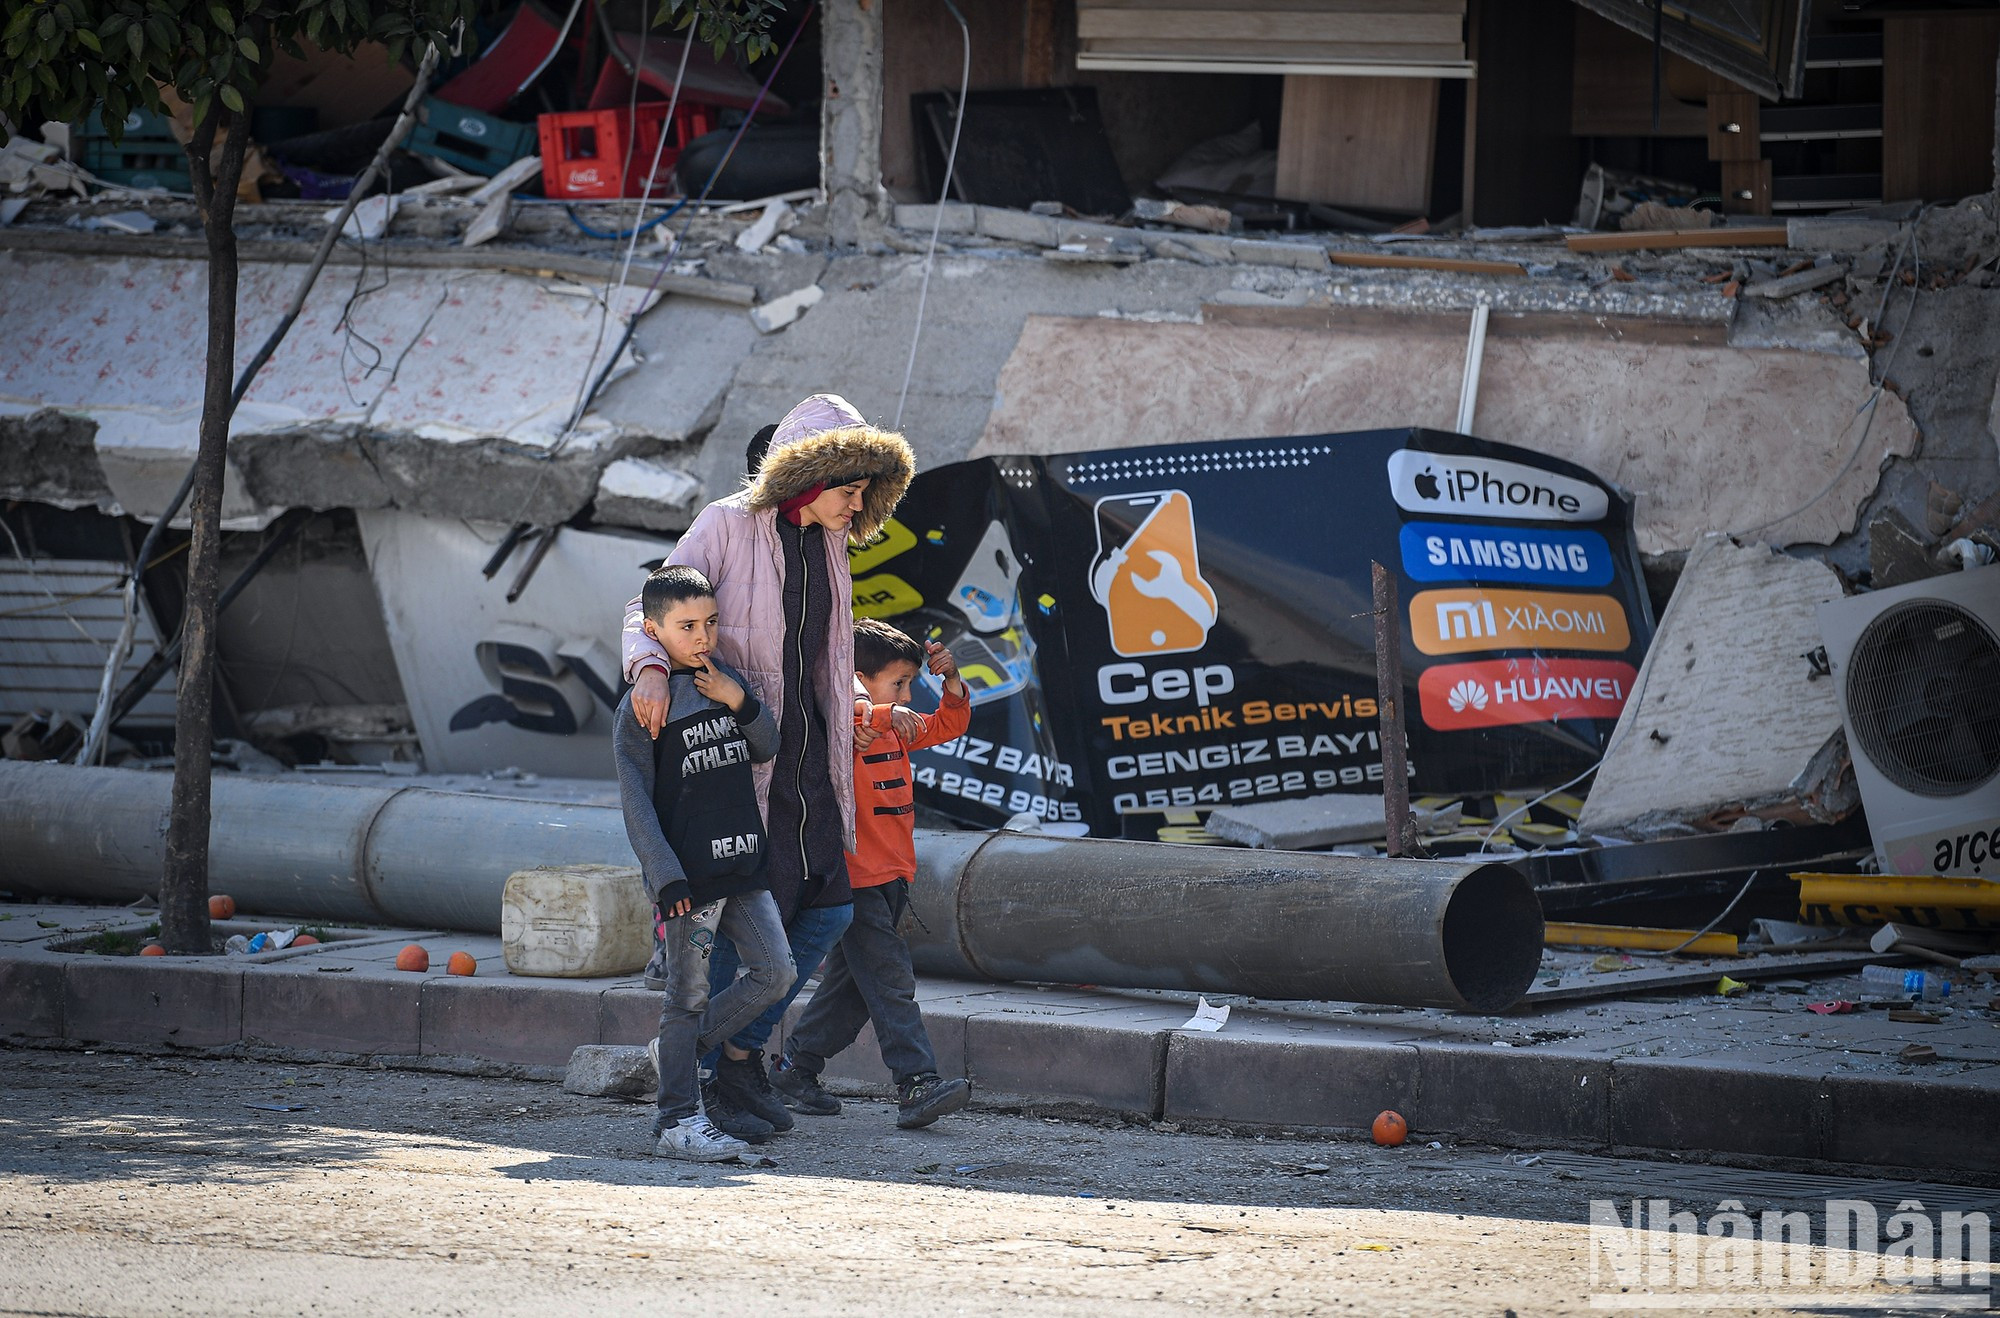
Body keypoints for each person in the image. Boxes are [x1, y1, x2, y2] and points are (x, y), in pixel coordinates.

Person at [622, 394, 915, 1141]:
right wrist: (650, 667)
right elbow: (653, 600)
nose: (858, 506)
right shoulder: (726, 522)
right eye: (850, 490)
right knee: (751, 924)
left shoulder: (830, 543)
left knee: (829, 910)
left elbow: (822, 651)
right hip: (746, 765)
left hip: (814, 763)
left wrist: (857, 701)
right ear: (812, 478)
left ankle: (734, 1049)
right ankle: (715, 1075)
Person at [612, 565, 794, 1162]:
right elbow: (636, 802)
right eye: (686, 626)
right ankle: (676, 1120)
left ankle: (677, 1053)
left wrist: (738, 700)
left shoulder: (722, 679)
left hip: (742, 864)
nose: (703, 637)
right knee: (685, 999)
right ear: (652, 629)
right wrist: (665, 878)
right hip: (689, 882)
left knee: (777, 973)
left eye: (711, 623)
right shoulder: (644, 706)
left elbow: (767, 745)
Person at [771, 619, 975, 1129]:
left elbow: (946, 725)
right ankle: (916, 1083)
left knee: (852, 987)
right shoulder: (850, 726)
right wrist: (884, 710)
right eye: (898, 684)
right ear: (859, 678)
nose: (909, 696)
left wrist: (950, 684)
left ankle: (795, 1067)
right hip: (855, 878)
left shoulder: (895, 727)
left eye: (911, 684)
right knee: (888, 980)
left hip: (893, 877)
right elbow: (847, 713)